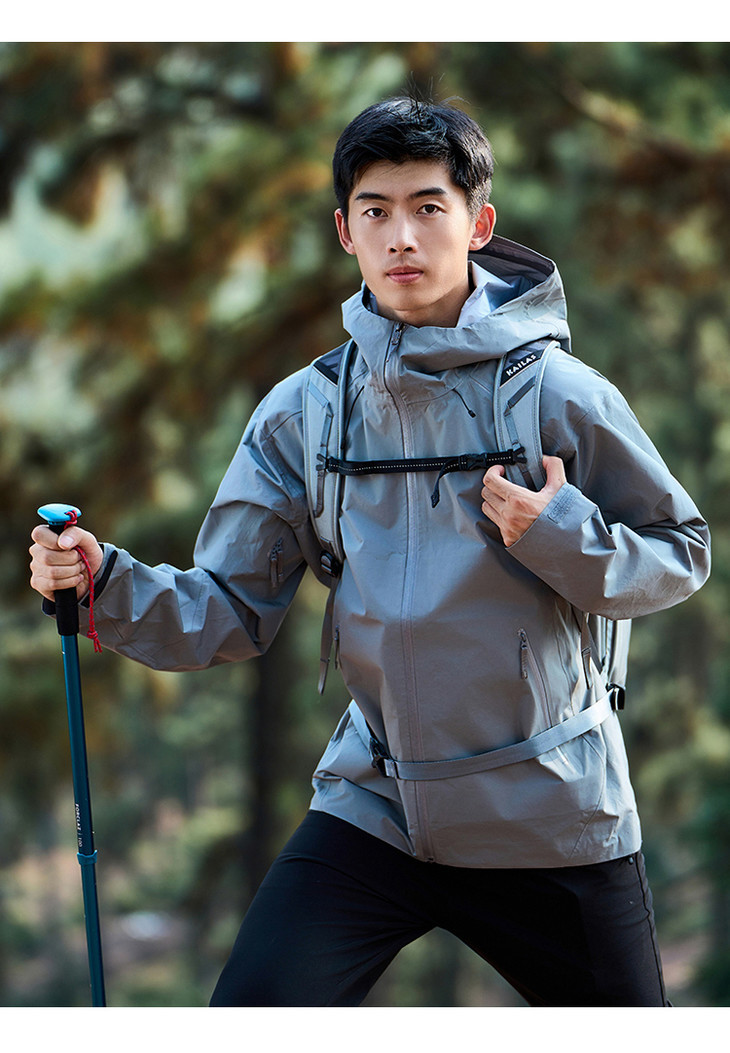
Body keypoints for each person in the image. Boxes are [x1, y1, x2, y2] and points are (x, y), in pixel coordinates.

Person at [29, 96, 711, 1007]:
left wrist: (558, 534)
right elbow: (228, 609)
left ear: (479, 224)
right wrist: (102, 580)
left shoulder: (559, 393)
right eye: (376, 211)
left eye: (429, 207)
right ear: (345, 231)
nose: (403, 236)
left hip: (550, 812)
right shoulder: (304, 412)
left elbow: (679, 551)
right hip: (377, 807)